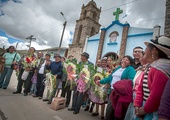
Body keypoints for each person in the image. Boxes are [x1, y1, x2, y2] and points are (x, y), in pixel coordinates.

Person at [134, 36, 170, 119]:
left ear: (153, 50)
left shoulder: (159, 68)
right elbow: (141, 87)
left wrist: (145, 109)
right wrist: (137, 104)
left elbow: (156, 95)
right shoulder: (151, 66)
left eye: (146, 48)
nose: (144, 51)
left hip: (153, 112)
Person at [96, 55, 136, 120]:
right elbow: (110, 77)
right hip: (112, 91)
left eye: (127, 60)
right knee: (110, 109)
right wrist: (101, 81)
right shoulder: (118, 68)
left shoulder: (131, 70)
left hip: (120, 93)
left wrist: (120, 85)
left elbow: (130, 81)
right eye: (123, 59)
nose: (124, 61)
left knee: (116, 110)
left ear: (130, 63)